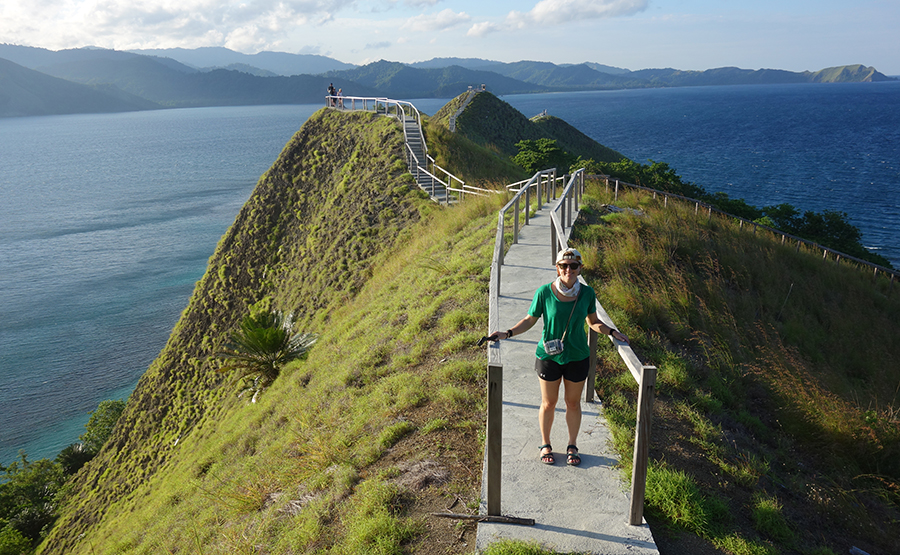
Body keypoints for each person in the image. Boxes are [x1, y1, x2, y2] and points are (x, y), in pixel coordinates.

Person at [490, 248, 628, 466]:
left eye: (573, 266)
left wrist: (611, 331)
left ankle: (572, 445)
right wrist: (506, 333)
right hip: (549, 356)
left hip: (577, 356)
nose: (568, 270)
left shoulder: (587, 293)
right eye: (563, 265)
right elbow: (530, 320)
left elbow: (592, 322)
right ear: (557, 268)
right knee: (549, 402)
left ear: (580, 268)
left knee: (573, 403)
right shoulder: (544, 292)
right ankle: (546, 444)